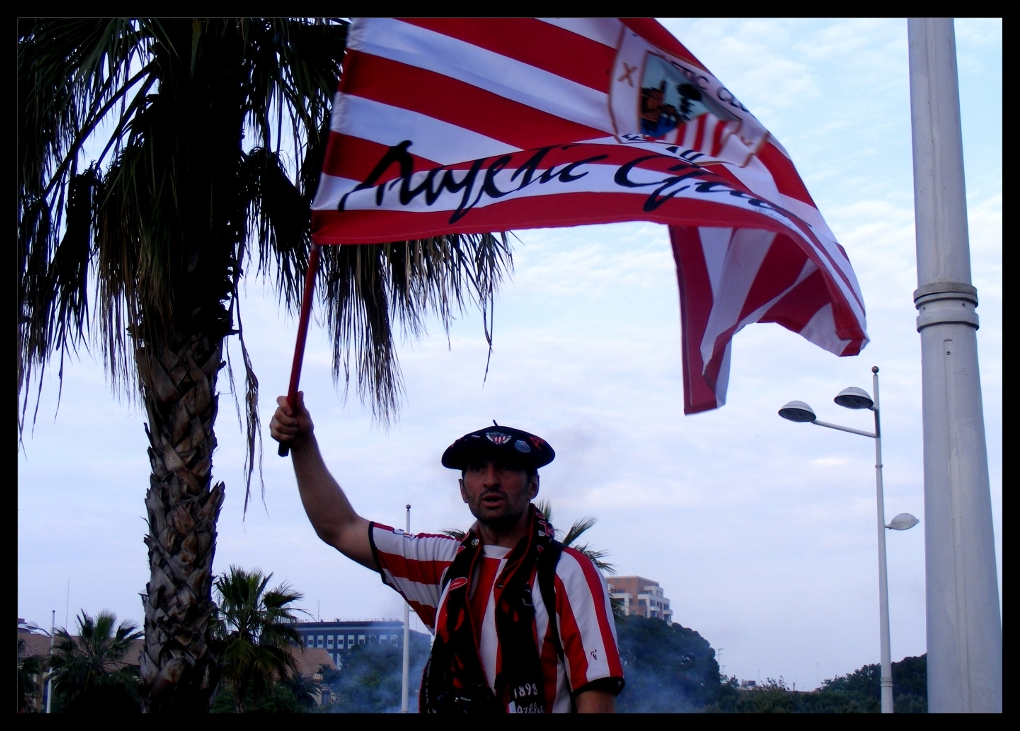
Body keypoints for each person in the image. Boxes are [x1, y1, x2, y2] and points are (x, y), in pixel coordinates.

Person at [270, 392, 624, 713]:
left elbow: (595, 694)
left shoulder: (568, 572)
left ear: (533, 484)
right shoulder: (443, 562)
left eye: (505, 467)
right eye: (476, 468)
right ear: (462, 489)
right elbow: (340, 528)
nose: (490, 479)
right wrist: (303, 443)